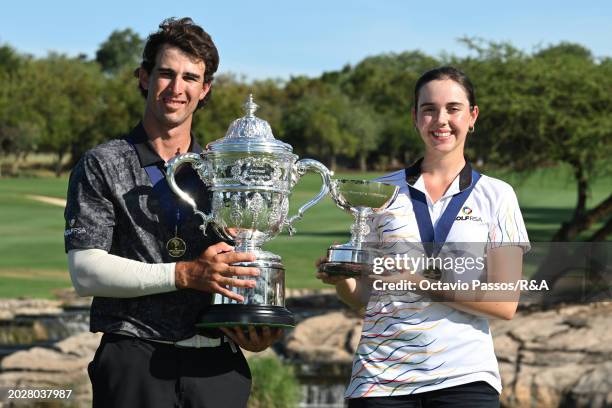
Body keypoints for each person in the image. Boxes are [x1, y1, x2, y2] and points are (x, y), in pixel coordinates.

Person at [64, 17, 281, 408]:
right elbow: (85, 271)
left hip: (218, 364)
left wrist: (255, 323)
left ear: (205, 88)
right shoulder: (104, 162)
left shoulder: (225, 170)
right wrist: (184, 274)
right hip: (136, 359)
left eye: (190, 78)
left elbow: (244, 259)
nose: (176, 88)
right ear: (144, 77)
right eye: (165, 73)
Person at [317, 66, 530, 407]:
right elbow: (363, 299)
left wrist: (417, 281)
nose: (440, 120)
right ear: (415, 117)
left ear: (472, 116)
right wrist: (342, 278)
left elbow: (505, 303)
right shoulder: (379, 192)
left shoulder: (497, 195)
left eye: (453, 108)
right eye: (429, 109)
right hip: (380, 380)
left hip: (465, 379)